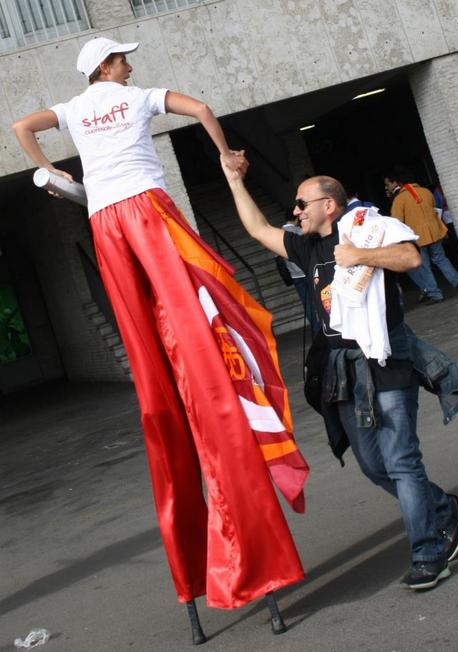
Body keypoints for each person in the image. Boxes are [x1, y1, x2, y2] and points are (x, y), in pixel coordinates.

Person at [12, 36, 308, 610]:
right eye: (122, 58)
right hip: (147, 208)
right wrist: (226, 155)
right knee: (199, 330)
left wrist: (52, 174)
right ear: (104, 66)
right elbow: (199, 108)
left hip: (104, 221)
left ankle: (196, 570)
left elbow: (23, 126)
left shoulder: (73, 110)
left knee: (149, 368)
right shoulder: (139, 95)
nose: (130, 64)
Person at [220, 163, 458, 591]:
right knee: (373, 465)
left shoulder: (365, 227)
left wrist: (360, 256)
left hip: (384, 358)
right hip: (341, 368)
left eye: (302, 204)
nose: (295, 211)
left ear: (328, 204)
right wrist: (234, 179)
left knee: (401, 460)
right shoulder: (306, 248)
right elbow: (258, 229)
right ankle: (443, 507)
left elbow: (410, 257)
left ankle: (429, 552)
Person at [384, 167, 458, 304]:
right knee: (441, 259)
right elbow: (435, 208)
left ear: (399, 183)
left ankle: (436, 294)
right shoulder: (425, 191)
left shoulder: (400, 199)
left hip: (416, 237)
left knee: (423, 266)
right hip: (434, 232)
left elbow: (396, 222)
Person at [281, 209, 319, 333]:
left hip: (294, 275)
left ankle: (316, 330)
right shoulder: (298, 231)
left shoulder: (280, 233)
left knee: (307, 303)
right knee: (318, 300)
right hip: (306, 271)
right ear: (296, 218)